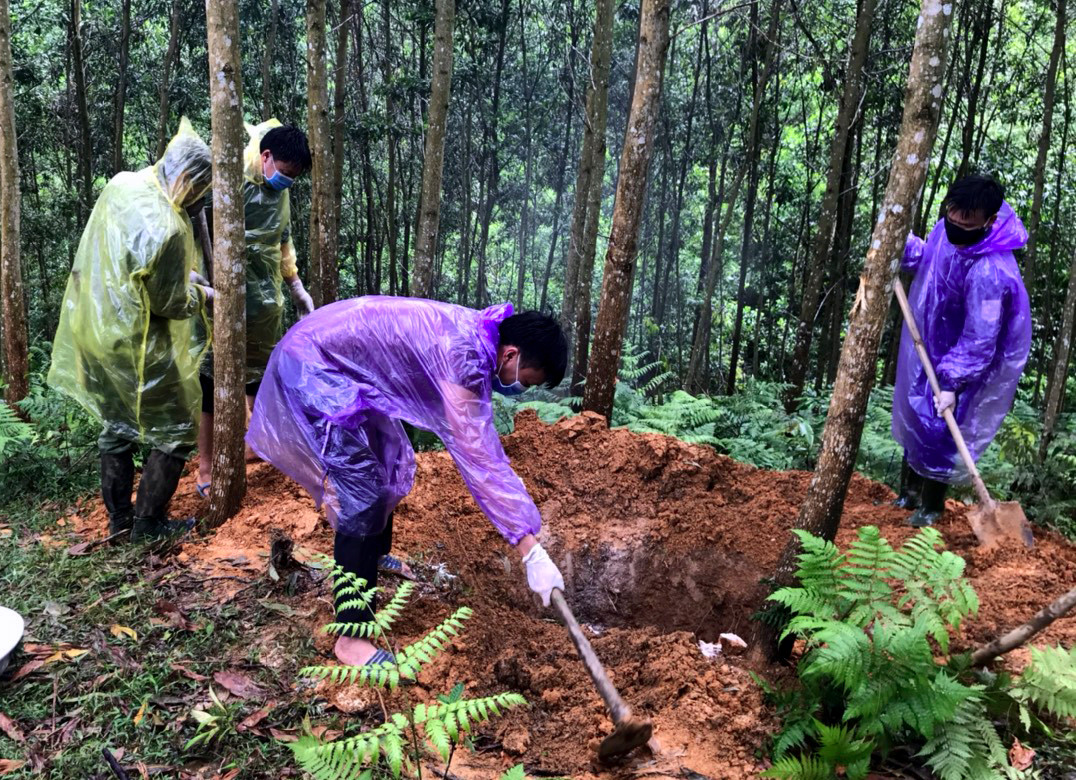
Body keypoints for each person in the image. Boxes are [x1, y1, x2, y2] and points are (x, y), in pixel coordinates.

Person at [246, 297, 568, 665]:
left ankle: (376, 556)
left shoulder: (476, 341)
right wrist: (531, 550)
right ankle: (351, 638)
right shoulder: (463, 355)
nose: (520, 390)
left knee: (388, 463)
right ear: (510, 355)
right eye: (526, 382)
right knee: (362, 493)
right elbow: (479, 458)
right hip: (314, 366)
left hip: (343, 370)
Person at [49, 118, 215, 542]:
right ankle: (147, 524)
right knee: (178, 428)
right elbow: (168, 303)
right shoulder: (171, 228)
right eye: (199, 188)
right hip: (136, 343)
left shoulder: (123, 185)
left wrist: (185, 276)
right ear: (184, 178)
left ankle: (118, 520)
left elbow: (126, 261)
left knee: (116, 425)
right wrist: (203, 295)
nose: (199, 198)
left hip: (93, 332)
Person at [892, 174, 1032, 527]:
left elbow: (981, 339)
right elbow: (930, 260)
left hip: (968, 361)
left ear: (988, 221)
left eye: (965, 223)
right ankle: (907, 494)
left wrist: (953, 382)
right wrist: (903, 249)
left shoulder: (991, 271)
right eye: (952, 217)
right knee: (915, 412)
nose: (955, 226)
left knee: (940, 427)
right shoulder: (945, 228)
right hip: (931, 341)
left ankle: (931, 508)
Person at [196, 120, 315, 496]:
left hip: (266, 296)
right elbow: (195, 224)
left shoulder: (280, 192)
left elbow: (283, 238)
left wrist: (295, 285)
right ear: (266, 157)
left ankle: (251, 447)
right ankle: (204, 468)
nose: (287, 182)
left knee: (258, 372)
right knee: (212, 377)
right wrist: (196, 275)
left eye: (294, 177)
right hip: (223, 290)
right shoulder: (229, 179)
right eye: (285, 173)